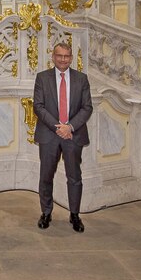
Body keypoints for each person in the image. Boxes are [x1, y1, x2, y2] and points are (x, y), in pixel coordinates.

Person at [33, 42, 93, 233]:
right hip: (49, 134)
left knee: (74, 177)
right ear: (53, 56)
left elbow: (87, 107)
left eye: (67, 56)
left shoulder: (81, 79)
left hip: (73, 135)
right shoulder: (42, 78)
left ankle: (74, 214)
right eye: (59, 56)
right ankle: (46, 212)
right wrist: (58, 127)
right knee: (46, 176)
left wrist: (70, 127)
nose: (63, 59)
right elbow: (38, 106)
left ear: (71, 58)